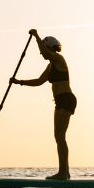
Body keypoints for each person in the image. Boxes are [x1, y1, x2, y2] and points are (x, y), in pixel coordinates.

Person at [11, 28, 77, 180]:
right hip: (60, 101)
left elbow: (46, 54)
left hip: (67, 98)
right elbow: (39, 82)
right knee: (58, 136)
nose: (41, 53)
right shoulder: (50, 66)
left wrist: (35, 36)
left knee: (60, 136)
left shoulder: (59, 59)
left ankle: (63, 173)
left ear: (48, 47)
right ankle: (64, 172)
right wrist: (19, 82)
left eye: (43, 49)